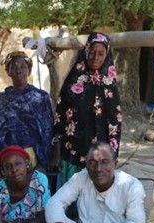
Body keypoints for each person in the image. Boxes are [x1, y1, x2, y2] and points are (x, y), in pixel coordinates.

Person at [52, 31, 122, 184]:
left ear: (106, 55)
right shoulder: (73, 82)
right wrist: (56, 151)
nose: (95, 57)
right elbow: (59, 116)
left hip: (100, 157)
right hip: (72, 152)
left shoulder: (110, 85)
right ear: (86, 51)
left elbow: (115, 123)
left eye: (100, 54)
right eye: (92, 52)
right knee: (71, 197)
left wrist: (113, 154)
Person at [0, 51, 54, 182]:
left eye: (23, 67)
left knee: (34, 195)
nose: (18, 71)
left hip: (34, 160)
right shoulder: (1, 100)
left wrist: (48, 159)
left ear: (29, 70)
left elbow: (47, 132)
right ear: (8, 71)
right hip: (7, 159)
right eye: (14, 67)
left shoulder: (41, 98)